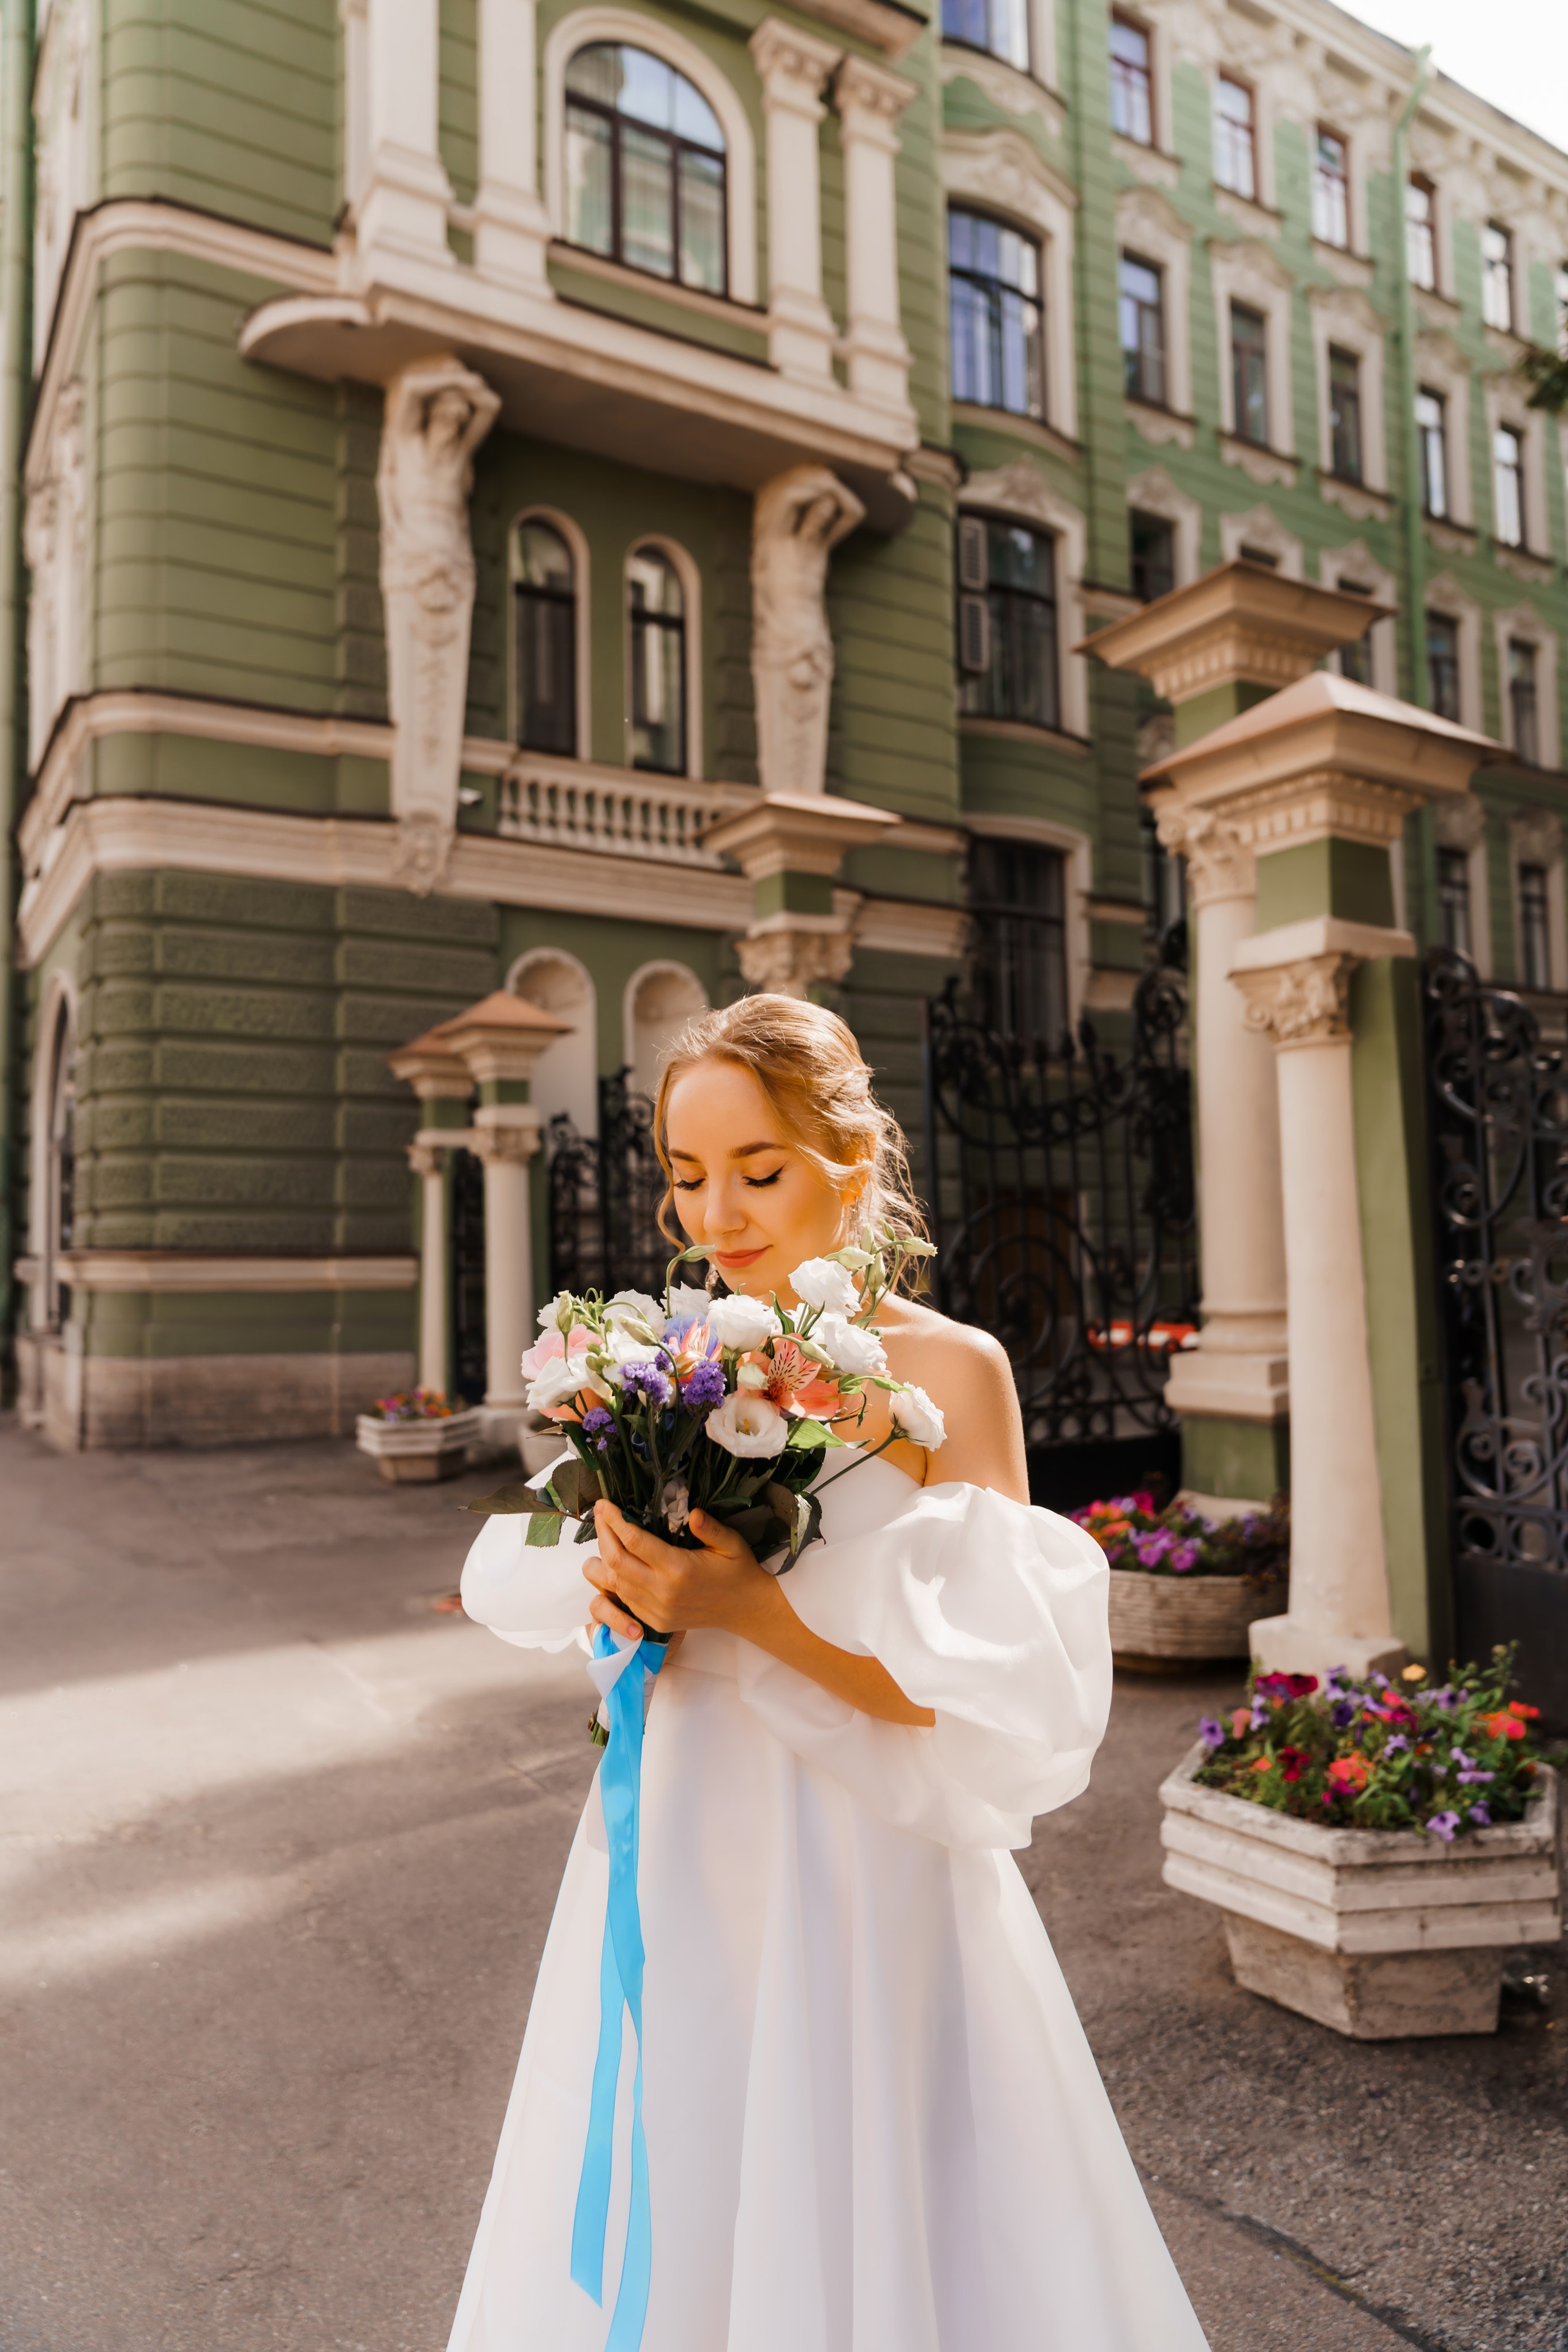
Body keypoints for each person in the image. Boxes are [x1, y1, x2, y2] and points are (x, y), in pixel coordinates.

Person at [448, 994, 1210, 2351]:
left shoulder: (950, 1372)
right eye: (688, 1175)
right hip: (680, 1836)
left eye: (758, 1171)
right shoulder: (670, 1363)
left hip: (863, 1859)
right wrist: (626, 1595)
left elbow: (978, 1688)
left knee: (874, 2172)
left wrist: (751, 1612)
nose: (716, 1215)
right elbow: (584, 1580)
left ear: (849, 1160)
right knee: (691, 2152)